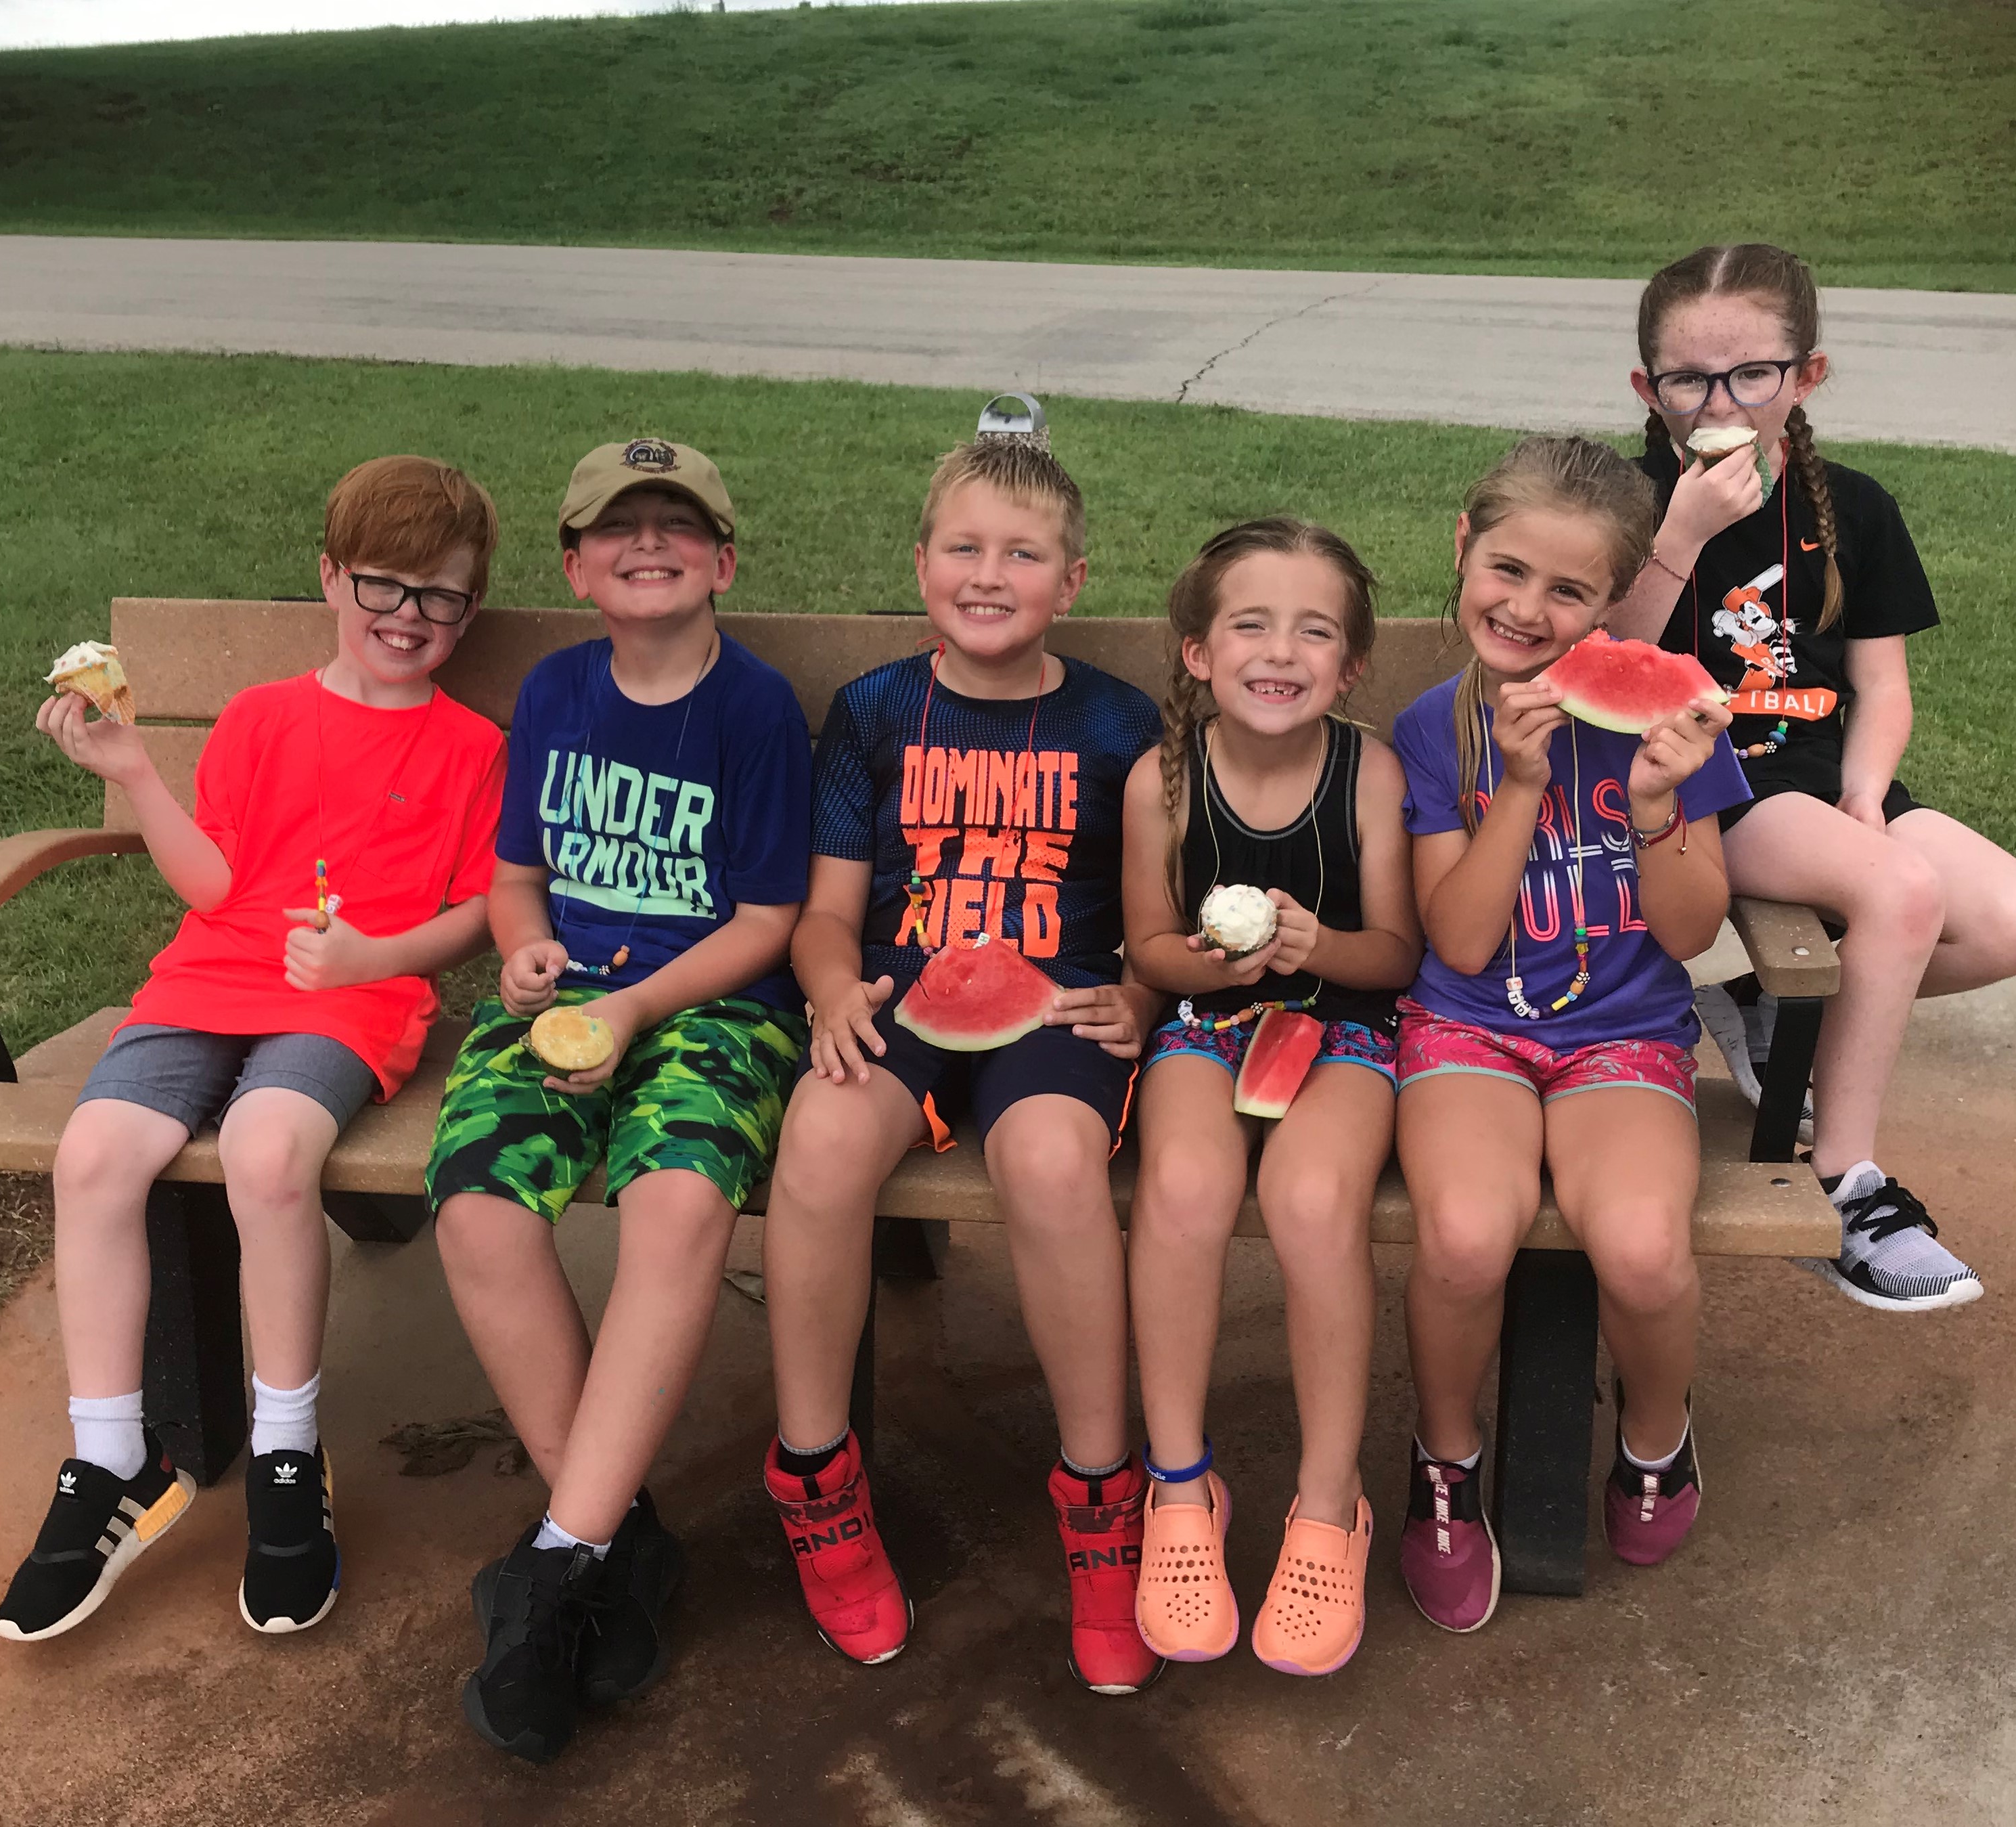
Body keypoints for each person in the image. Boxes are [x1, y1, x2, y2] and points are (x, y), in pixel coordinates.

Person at [0, 455, 508, 1644]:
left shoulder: (469, 747)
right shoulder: (263, 716)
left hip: (350, 1003)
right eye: (383, 586)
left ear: (469, 609)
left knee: (268, 1154)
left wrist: (373, 960)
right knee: (95, 1157)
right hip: (203, 980)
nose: (407, 619)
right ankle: (113, 1459)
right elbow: (213, 884)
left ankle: (286, 1452)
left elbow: (482, 908)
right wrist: (135, 775)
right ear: (331, 578)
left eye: (441, 598)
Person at [759, 421, 1167, 1694]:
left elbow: (1153, 914)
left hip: (1057, 1018)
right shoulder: (873, 712)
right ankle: (816, 1478)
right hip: (894, 1000)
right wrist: (829, 991)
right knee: (821, 1143)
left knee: (1050, 1163)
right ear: (921, 559)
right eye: (963, 547)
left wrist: (1141, 998)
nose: (989, 574)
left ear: (1073, 582)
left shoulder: (1119, 722)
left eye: (1023, 554)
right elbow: (828, 912)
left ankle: (1102, 1498)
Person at [426, 439, 811, 1763]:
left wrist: (640, 1008)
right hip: (555, 1007)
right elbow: (516, 875)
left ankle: (551, 1565)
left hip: (710, 1011)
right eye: (617, 530)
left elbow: (770, 917)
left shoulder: (751, 711)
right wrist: (524, 948)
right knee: (479, 1208)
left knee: (676, 1197)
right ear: (578, 564)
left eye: (677, 526)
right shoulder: (554, 691)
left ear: (721, 560)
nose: (648, 545)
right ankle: (611, 1528)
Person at [1607, 242, 2016, 1311]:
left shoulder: (1850, 508)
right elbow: (1606, 664)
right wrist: (1681, 530)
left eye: (1750, 374)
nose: (1717, 400)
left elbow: (1881, 685)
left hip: (1821, 782)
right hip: (1699, 786)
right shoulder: (1623, 498)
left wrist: (1866, 791)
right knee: (1900, 891)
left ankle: (1774, 1005)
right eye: (1687, 379)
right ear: (1647, 387)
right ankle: (1841, 1187)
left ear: (1804, 375)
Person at [1392, 435, 1749, 1633]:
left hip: (1623, 1035)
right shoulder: (1429, 730)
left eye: (1569, 592)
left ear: (1613, 602)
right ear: (1461, 548)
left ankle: (1655, 1436)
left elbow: (1692, 933)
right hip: (1470, 1032)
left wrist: (1654, 805)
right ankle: (1445, 1458)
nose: (1527, 609)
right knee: (1460, 1238)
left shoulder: (1679, 719)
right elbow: (1455, 938)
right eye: (1506, 570)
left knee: (1644, 1251)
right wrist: (1524, 786)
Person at [1120, 518, 1420, 1675]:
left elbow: (1394, 954)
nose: (1279, 651)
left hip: (1348, 1028)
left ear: (1348, 667)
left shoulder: (1369, 771)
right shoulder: (1163, 778)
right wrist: (1211, 963)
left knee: (1306, 1201)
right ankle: (1181, 1484)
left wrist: (1315, 943)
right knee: (1186, 1186)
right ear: (1197, 651)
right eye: (1249, 624)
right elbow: (1148, 949)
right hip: (1206, 1023)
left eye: (1314, 631)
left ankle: (1324, 1499)